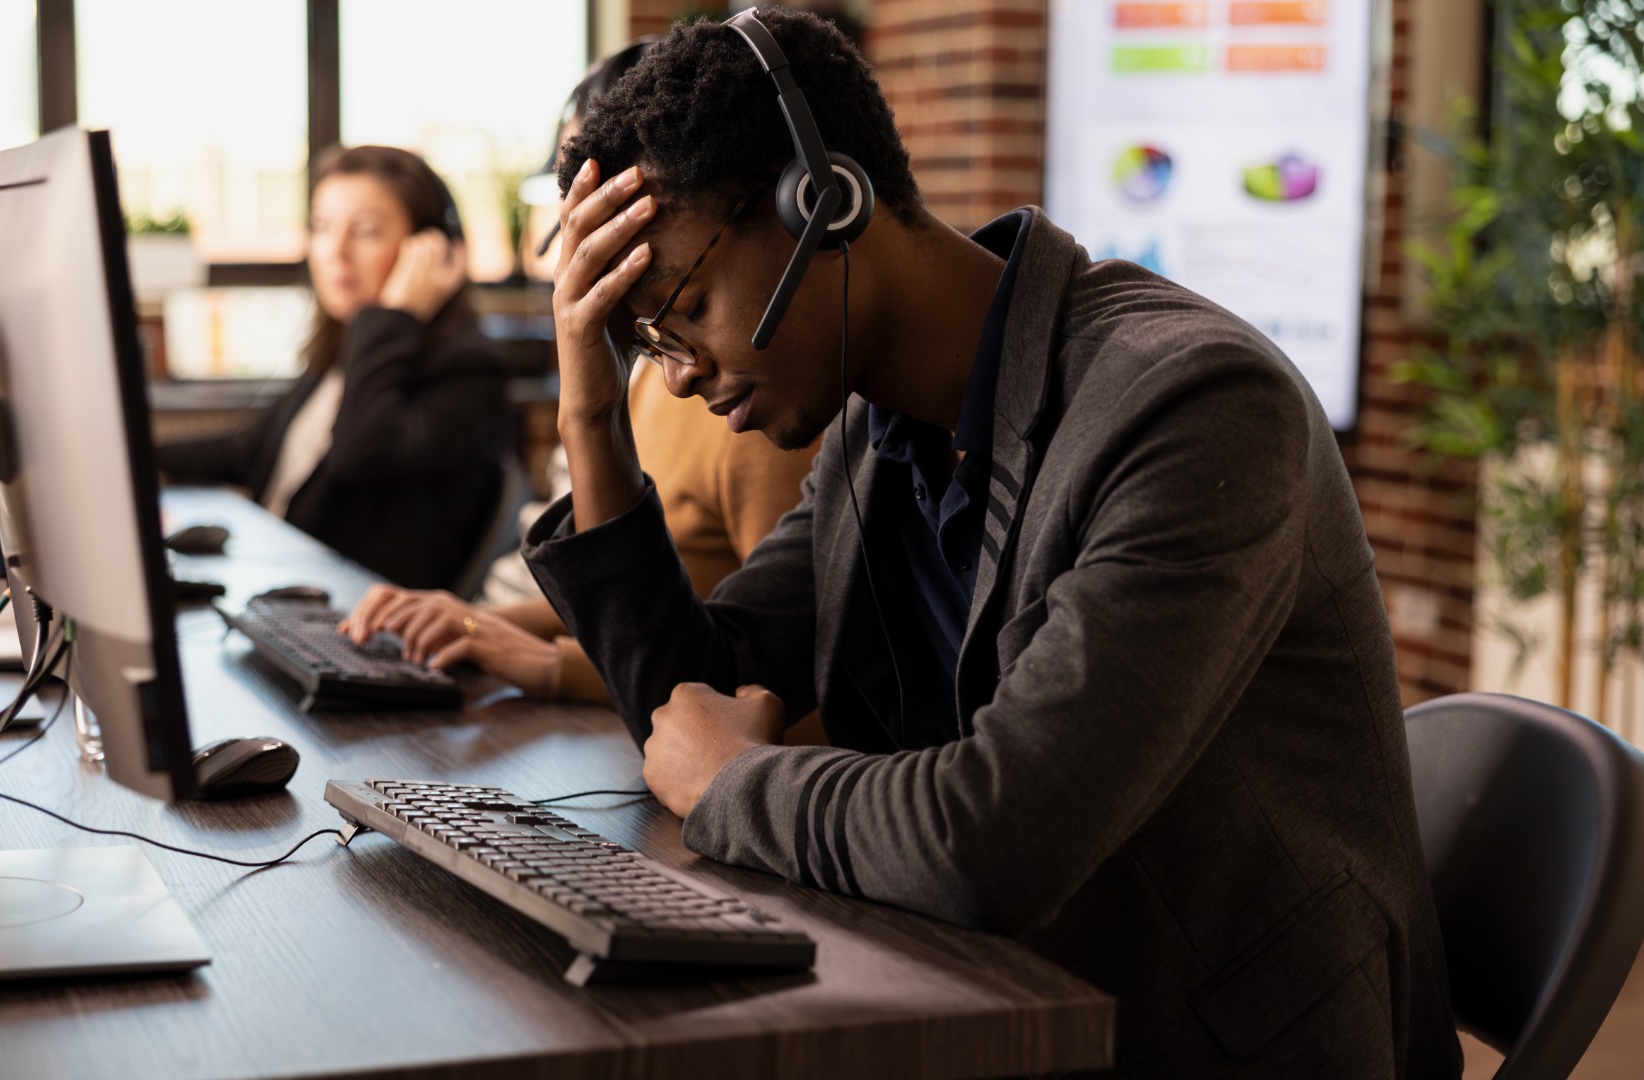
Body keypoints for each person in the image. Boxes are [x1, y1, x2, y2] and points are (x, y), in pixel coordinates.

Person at [518, 10, 1459, 1079]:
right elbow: (686, 706)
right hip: (995, 998)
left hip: (1208, 1039)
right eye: (644, 341)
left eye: (678, 309)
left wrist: (738, 779)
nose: (676, 372)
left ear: (825, 201)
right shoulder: (879, 433)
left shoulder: (1193, 404)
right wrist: (590, 415)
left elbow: (1002, 837)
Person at [340, 43, 820, 706]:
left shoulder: (756, 402)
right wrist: (473, 620)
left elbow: (772, 674)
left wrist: (541, 662)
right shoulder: (659, 382)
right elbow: (645, 617)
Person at [158, 146, 509, 590]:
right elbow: (244, 450)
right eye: (322, 227)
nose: (334, 252)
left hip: (356, 622)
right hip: (281, 595)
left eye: (364, 231)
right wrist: (130, 453)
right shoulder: (344, 359)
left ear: (430, 249)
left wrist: (394, 316)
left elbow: (360, 451)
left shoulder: (469, 372)